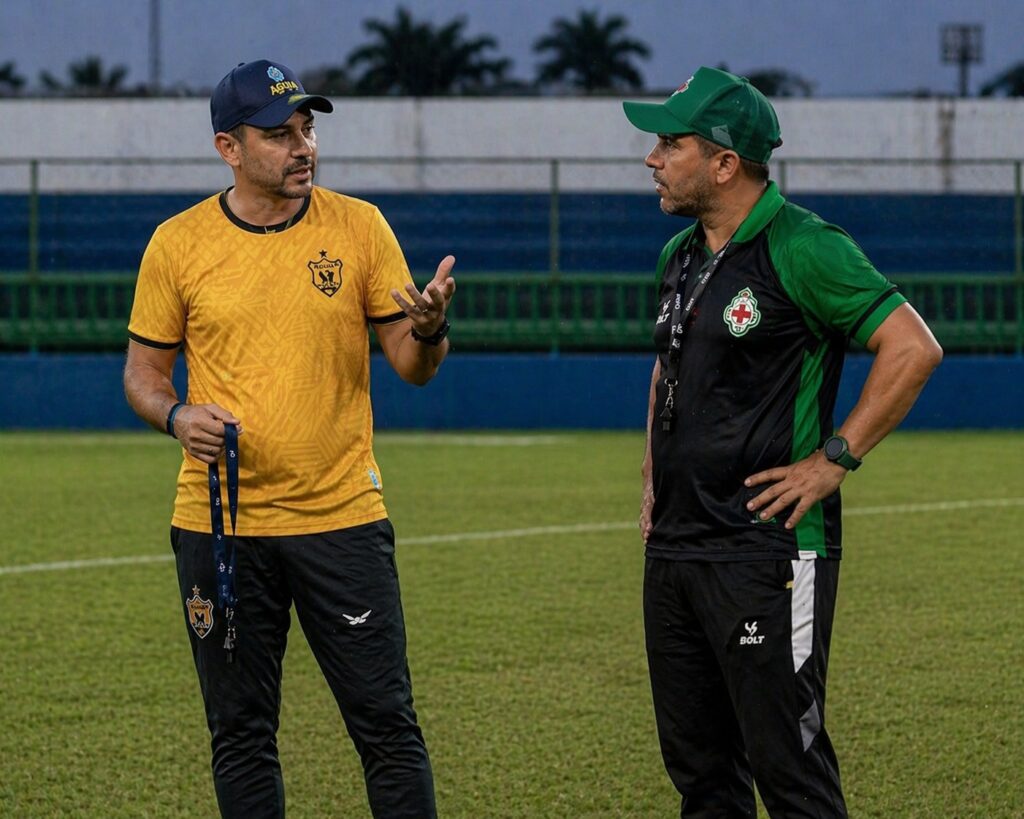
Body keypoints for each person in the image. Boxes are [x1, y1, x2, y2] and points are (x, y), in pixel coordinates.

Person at [123, 59, 455, 818]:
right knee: (240, 733)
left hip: (341, 519)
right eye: (278, 134)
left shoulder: (360, 226)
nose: (302, 146)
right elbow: (142, 376)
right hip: (219, 528)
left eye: (307, 128)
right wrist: (176, 416)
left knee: (387, 728)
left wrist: (432, 330)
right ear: (228, 148)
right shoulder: (176, 245)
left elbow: (412, 365)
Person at [623, 67, 942, 818]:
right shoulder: (680, 256)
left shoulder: (805, 246)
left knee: (788, 771)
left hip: (767, 551)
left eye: (671, 142)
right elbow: (668, 368)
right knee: (701, 775)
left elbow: (912, 347)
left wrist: (834, 458)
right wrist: (650, 476)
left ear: (725, 162)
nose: (652, 157)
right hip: (675, 548)